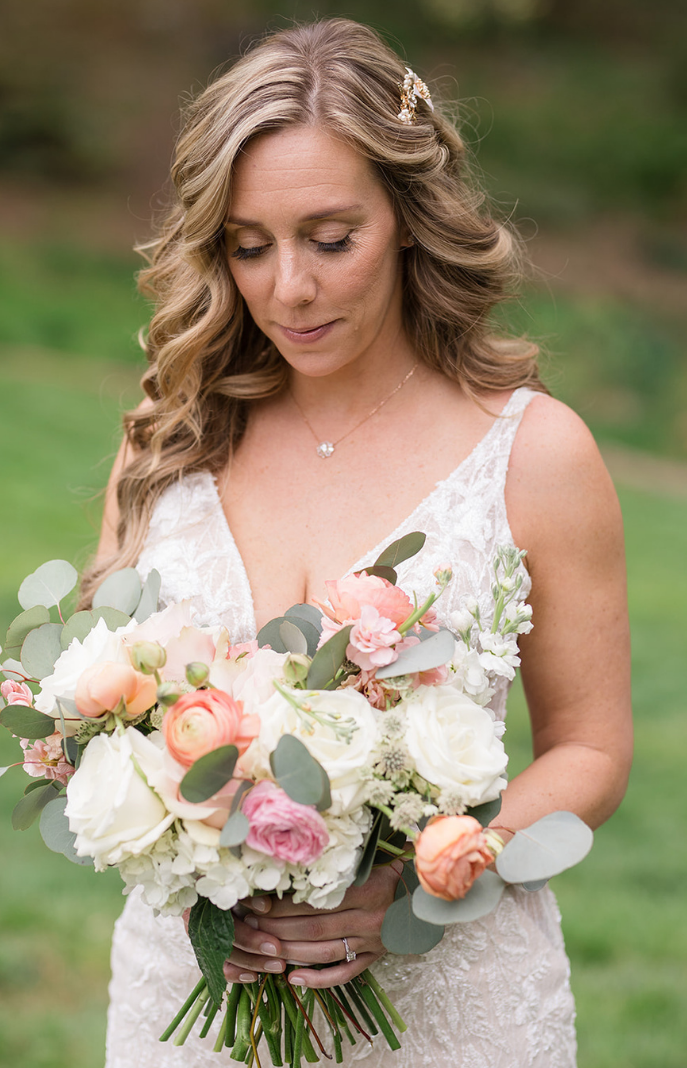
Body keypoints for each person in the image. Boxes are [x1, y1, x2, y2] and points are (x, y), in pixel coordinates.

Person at [84, 19, 630, 1068]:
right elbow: (110, 722)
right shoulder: (166, 439)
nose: (289, 286)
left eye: (331, 238)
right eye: (250, 245)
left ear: (410, 221)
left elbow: (592, 751)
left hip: (451, 1000)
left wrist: (431, 874)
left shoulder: (536, 455)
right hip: (188, 997)